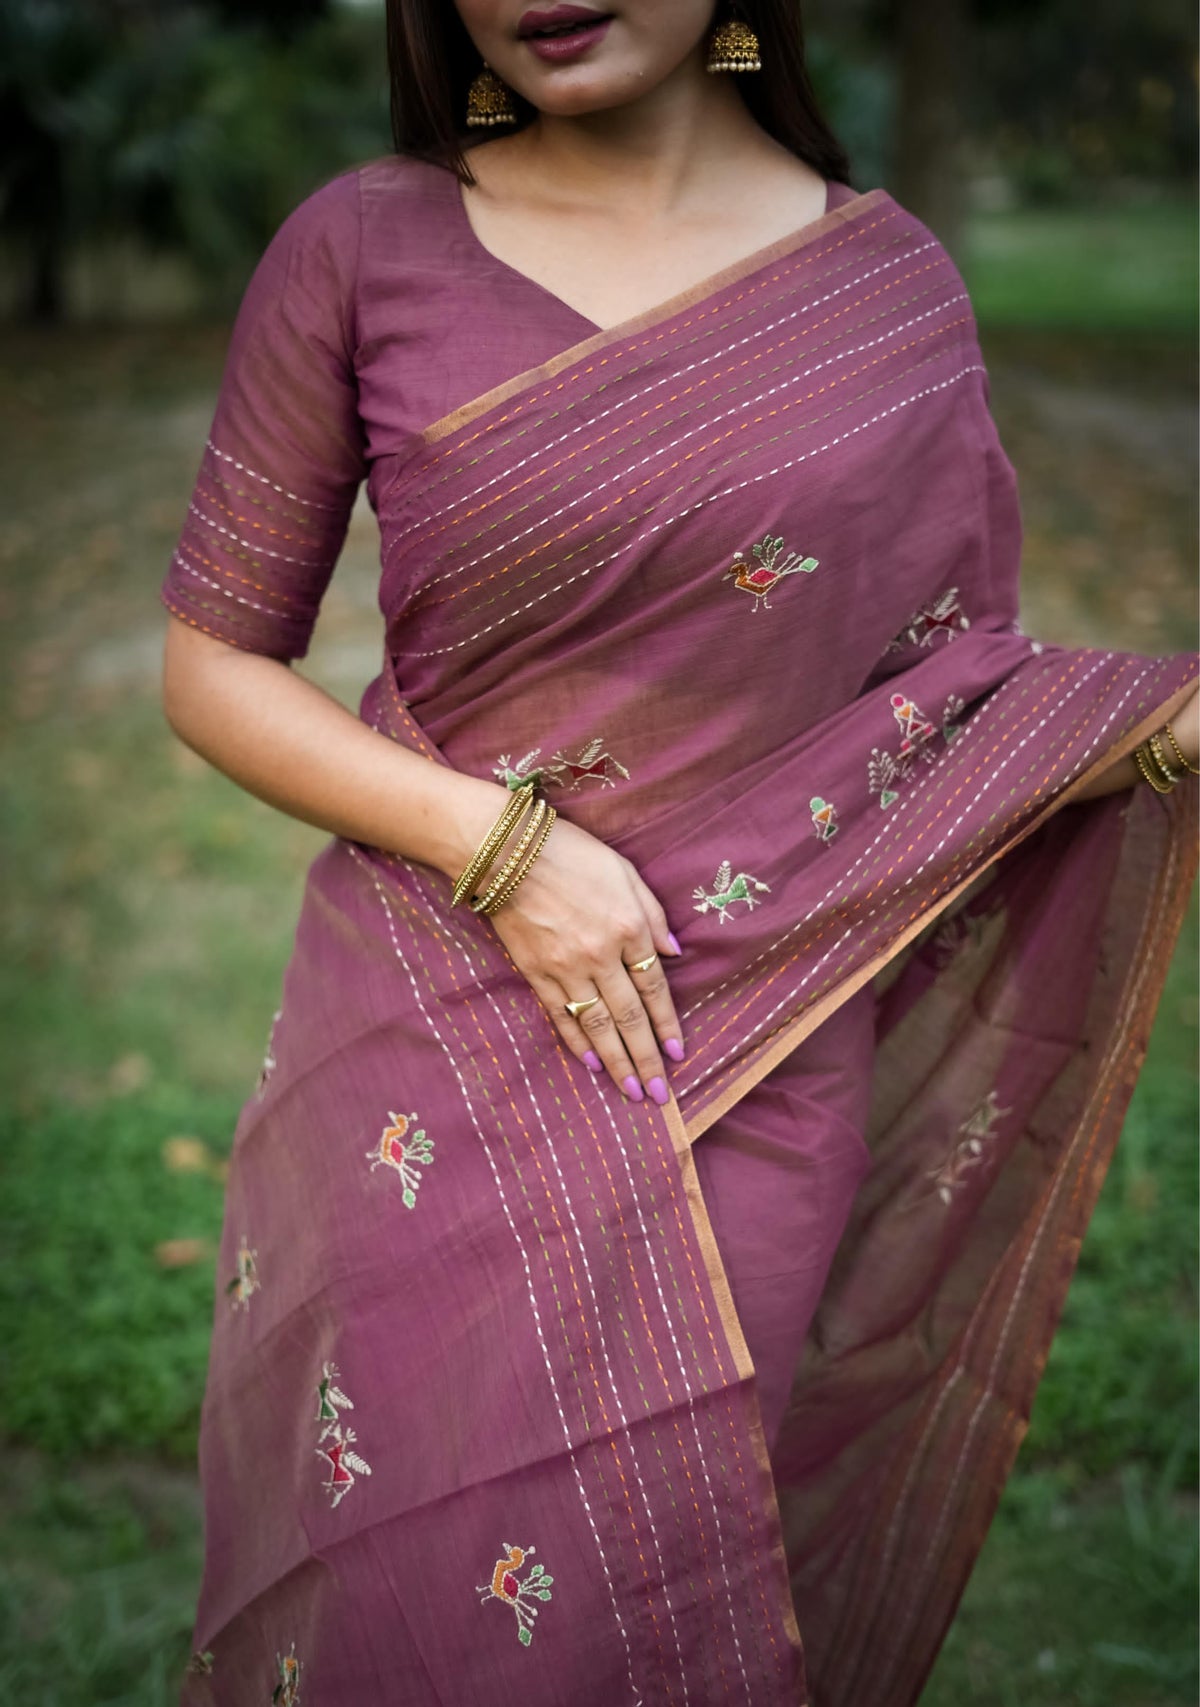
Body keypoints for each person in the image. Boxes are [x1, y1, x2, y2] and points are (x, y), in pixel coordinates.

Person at [162, 4, 1198, 1703]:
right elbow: (214, 665)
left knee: (639, 1609)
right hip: (429, 1039)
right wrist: (508, 852)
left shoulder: (884, 288)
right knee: (408, 1589)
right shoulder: (362, 248)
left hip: (754, 1043)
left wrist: (1148, 722)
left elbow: (947, 693)